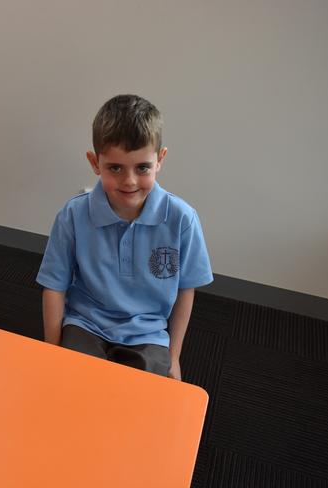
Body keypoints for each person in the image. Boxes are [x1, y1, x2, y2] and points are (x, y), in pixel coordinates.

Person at [36, 94, 212, 379]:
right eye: (115, 168)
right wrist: (51, 348)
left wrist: (174, 357)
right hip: (85, 323)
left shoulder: (182, 219)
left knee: (143, 401)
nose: (129, 181)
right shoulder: (72, 215)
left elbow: (185, 290)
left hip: (148, 332)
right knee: (71, 386)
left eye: (142, 167)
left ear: (160, 160)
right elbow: (54, 287)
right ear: (95, 163)